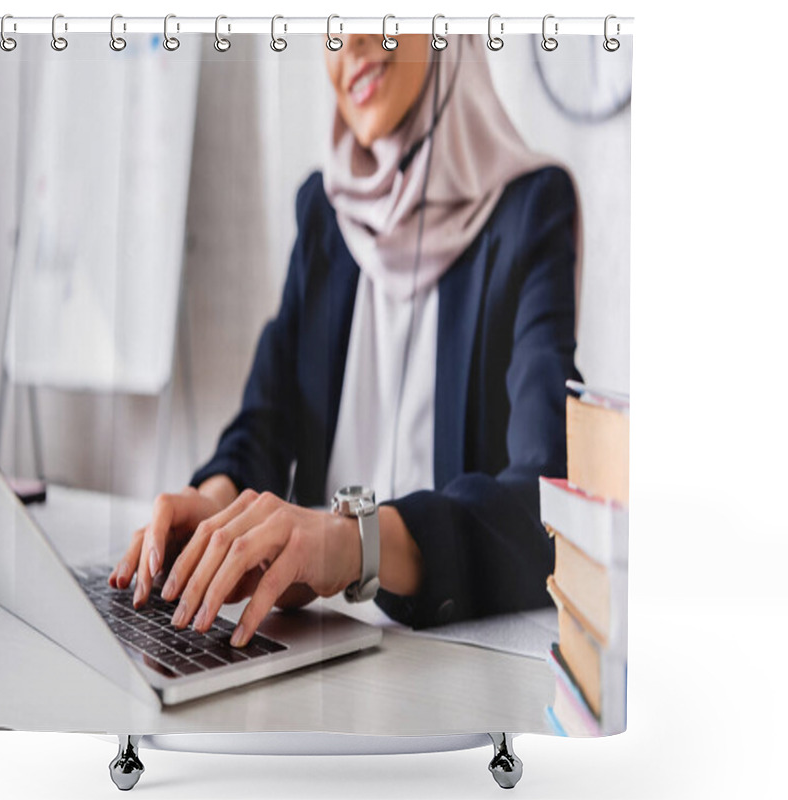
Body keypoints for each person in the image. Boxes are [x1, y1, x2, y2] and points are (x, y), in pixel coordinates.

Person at [109, 34, 581, 649]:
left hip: (449, 653)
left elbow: (547, 508)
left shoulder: (529, 209)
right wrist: (214, 507)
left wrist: (353, 544)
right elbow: (264, 423)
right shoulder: (325, 212)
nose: (348, 42)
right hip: (307, 641)